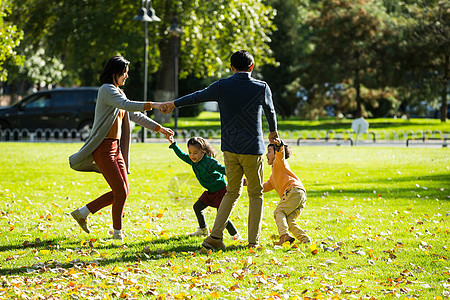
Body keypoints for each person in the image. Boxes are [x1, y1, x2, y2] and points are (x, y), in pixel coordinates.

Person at [159, 50, 279, 249]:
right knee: (255, 194)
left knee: (231, 192)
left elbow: (198, 96)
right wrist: (273, 131)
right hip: (252, 149)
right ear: (252, 67)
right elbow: (270, 110)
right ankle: (252, 242)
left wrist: (174, 104)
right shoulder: (261, 87)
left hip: (230, 149)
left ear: (232, 67)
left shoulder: (222, 86)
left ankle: (215, 237)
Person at [69, 55, 173, 241]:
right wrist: (154, 104)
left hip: (116, 149)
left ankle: (83, 212)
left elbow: (135, 115)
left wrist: (161, 129)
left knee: (123, 191)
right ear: (114, 73)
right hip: (103, 148)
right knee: (120, 191)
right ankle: (117, 233)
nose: (126, 76)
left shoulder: (118, 92)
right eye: (124, 73)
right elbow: (126, 105)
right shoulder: (107, 90)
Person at [168, 136, 241, 240]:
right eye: (190, 152)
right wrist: (173, 143)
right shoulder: (192, 161)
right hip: (210, 191)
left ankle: (235, 235)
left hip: (220, 191)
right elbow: (182, 155)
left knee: (222, 215)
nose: (192, 155)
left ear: (203, 151)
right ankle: (203, 229)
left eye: (195, 152)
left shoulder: (210, 162)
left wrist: (237, 176)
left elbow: (224, 170)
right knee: (197, 207)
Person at [263, 140, 311, 245]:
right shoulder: (274, 176)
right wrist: (247, 183)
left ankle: (284, 236)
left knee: (278, 212)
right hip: (299, 193)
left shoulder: (279, 161)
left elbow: (280, 152)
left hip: (293, 191)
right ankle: (305, 240)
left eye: (269, 151)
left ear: (276, 153)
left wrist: (278, 143)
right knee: (289, 220)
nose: (266, 154)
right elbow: (264, 187)